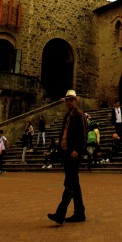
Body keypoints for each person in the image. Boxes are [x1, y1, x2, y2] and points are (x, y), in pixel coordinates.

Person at [47, 89, 88, 224]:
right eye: (67, 100)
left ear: (76, 101)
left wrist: (77, 150)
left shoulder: (79, 114)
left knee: (69, 184)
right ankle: (79, 212)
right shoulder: (67, 115)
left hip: (73, 153)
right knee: (74, 183)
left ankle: (60, 213)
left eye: (71, 99)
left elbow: (83, 134)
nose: (69, 102)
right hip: (66, 153)